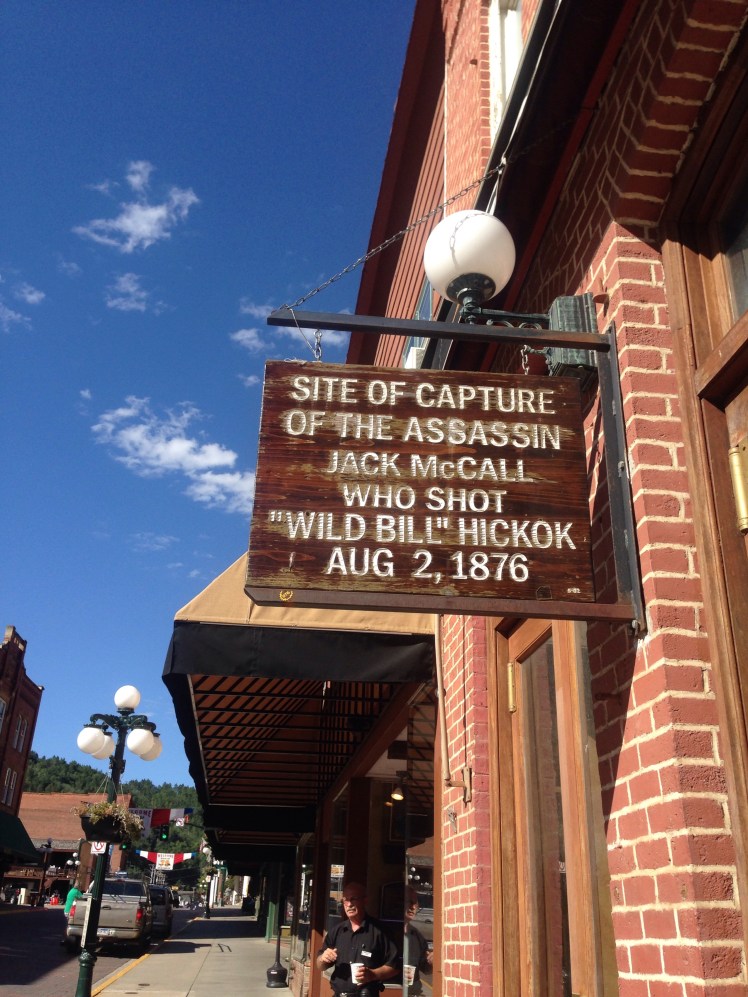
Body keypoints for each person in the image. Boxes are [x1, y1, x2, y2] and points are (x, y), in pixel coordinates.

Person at [316, 881, 398, 996]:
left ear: (365, 900)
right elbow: (320, 966)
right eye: (346, 900)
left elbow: (395, 966)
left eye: (353, 899)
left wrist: (373, 974)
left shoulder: (380, 931)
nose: (349, 904)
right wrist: (323, 959)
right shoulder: (337, 931)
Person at [399, 889, 433, 994]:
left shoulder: (417, 935)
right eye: (410, 902)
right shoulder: (388, 933)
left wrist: (431, 962)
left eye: (416, 903)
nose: (413, 907)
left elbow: (425, 969)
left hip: (414, 993)